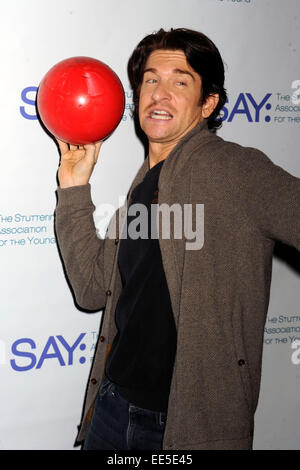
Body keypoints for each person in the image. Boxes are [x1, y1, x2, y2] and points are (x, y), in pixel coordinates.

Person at [54, 28, 300, 450]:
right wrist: (74, 186)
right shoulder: (141, 188)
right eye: (151, 80)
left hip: (188, 424)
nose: (159, 93)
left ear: (208, 103)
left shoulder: (237, 170)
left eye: (179, 81)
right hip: (112, 406)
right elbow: (93, 291)